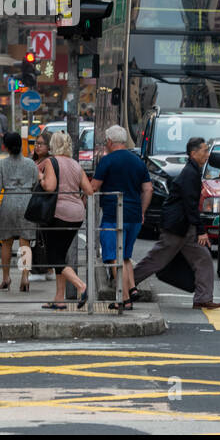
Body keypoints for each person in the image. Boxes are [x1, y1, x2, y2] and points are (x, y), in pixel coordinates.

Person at [130, 137, 220, 311]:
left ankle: (203, 298)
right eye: (204, 151)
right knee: (156, 260)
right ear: (193, 153)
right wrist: (201, 231)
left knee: (203, 258)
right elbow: (190, 204)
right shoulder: (190, 173)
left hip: (184, 227)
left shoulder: (194, 171)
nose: (207, 154)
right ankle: (124, 284)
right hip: (177, 227)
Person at [90, 124, 153, 308]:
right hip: (134, 216)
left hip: (113, 215)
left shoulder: (107, 161)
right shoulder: (138, 161)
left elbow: (94, 187)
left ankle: (123, 299)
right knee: (125, 256)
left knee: (113, 258)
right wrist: (142, 210)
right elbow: (148, 189)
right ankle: (131, 289)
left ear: (110, 141)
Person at [38, 131, 93, 310]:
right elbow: (89, 190)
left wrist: (41, 178)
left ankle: (81, 286)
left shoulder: (50, 162)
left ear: (53, 144)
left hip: (57, 214)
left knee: (54, 257)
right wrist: (78, 201)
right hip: (76, 215)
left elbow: (49, 187)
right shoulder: (75, 164)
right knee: (60, 255)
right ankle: (59, 298)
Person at [0, 132, 39, 291]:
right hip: (27, 202)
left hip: (8, 203)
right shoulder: (31, 164)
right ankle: (25, 277)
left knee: (6, 242)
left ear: (5, 146)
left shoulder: (1, 165)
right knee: (25, 241)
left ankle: (6, 277)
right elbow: (35, 184)